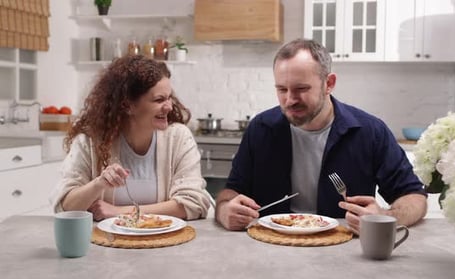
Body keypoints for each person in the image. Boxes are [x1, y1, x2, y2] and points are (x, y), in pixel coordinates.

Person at [215, 38, 427, 232]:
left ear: (329, 83)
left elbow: (414, 197)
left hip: (344, 250)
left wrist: (383, 217)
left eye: (301, 88)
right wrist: (225, 210)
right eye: (282, 89)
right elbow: (231, 192)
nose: (290, 100)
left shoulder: (370, 131)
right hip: (272, 246)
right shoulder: (260, 129)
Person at [50, 55, 210, 221]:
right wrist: (98, 184)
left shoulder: (178, 138)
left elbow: (193, 203)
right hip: (106, 243)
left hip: (165, 242)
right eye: (159, 99)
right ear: (127, 105)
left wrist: (120, 211)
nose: (169, 106)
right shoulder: (90, 141)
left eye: (169, 97)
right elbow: (64, 207)